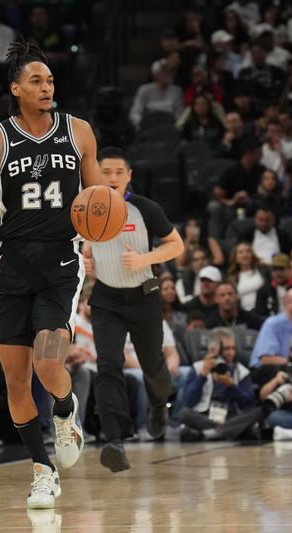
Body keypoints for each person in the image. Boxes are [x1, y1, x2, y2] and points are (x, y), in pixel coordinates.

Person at [0, 40, 103, 509]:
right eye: (37, 81)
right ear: (16, 88)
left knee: (48, 364)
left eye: (51, 81)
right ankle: (43, 471)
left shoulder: (78, 131)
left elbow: (97, 191)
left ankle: (65, 410)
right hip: (12, 265)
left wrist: (102, 215)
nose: (47, 87)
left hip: (62, 260)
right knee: (17, 380)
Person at [82, 147, 184, 472]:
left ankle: (159, 404)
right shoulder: (85, 206)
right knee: (108, 365)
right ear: (97, 175)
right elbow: (82, 245)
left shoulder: (145, 209)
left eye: (118, 173)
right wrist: (84, 259)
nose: (111, 179)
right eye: (105, 172)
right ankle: (115, 440)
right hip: (106, 299)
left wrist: (144, 259)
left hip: (144, 296)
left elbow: (176, 245)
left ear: (129, 176)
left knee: (152, 364)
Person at [178, 328, 261, 442]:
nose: (231, 353)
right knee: (184, 414)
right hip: (205, 416)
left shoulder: (241, 371)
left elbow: (248, 404)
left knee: (258, 411)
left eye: (233, 348)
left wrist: (231, 385)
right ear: (212, 350)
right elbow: (188, 402)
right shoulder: (198, 368)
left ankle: (206, 434)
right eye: (226, 349)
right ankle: (230, 432)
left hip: (232, 417)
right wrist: (202, 375)